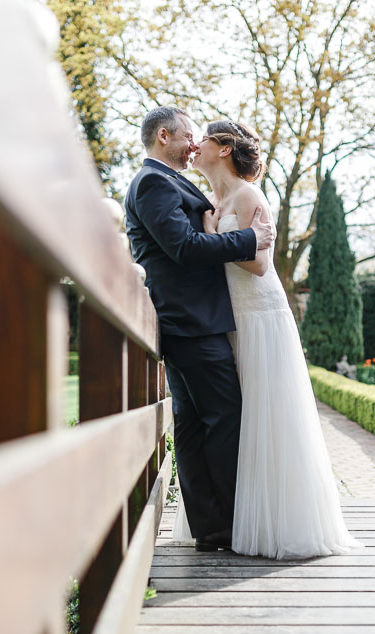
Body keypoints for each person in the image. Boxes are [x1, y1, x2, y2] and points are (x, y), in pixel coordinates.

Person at [173, 119, 360, 559]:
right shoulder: (211, 201)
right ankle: (234, 521)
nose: (195, 147)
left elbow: (259, 264)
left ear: (223, 148)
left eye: (204, 140)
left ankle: (277, 524)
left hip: (259, 315)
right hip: (229, 319)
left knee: (268, 418)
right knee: (238, 422)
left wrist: (215, 234)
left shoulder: (247, 195)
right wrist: (209, 230)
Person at [124, 106, 275, 552]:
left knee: (193, 423)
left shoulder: (171, 182)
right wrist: (248, 239)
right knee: (224, 417)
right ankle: (230, 524)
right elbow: (184, 248)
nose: (195, 144)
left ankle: (212, 527)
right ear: (164, 136)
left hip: (192, 320)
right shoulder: (152, 182)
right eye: (189, 136)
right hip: (190, 322)